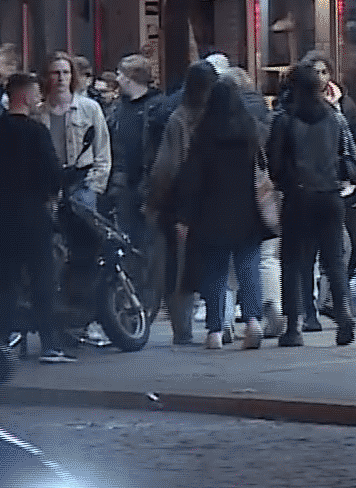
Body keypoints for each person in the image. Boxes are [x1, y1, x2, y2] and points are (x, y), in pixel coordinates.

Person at [0, 73, 73, 363]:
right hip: (32, 214)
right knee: (41, 279)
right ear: (23, 96)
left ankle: (2, 340)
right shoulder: (36, 132)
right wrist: (54, 192)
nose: (37, 99)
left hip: (1, 213)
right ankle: (49, 344)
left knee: (5, 280)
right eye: (33, 94)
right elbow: (50, 172)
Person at [172, 78, 274, 350]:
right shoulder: (250, 129)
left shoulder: (204, 133)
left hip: (211, 213)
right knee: (248, 268)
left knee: (215, 272)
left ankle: (215, 330)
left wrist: (184, 216)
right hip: (247, 211)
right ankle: (253, 320)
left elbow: (191, 178)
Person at [270, 62, 356, 347]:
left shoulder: (285, 119)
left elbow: (275, 165)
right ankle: (343, 313)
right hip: (331, 196)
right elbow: (351, 158)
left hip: (298, 197)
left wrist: (285, 182)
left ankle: (293, 326)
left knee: (293, 262)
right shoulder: (335, 117)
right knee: (333, 260)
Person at [148, 61, 220, 345]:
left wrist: (154, 200)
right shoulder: (219, 116)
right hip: (214, 200)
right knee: (214, 264)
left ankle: (183, 329)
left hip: (182, 203)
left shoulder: (179, 119)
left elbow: (166, 167)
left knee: (179, 269)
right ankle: (219, 323)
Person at [106, 55, 169, 254]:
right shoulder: (117, 109)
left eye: (119, 74)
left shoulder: (158, 107)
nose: (117, 78)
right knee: (126, 239)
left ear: (128, 77)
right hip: (124, 186)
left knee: (149, 243)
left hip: (148, 186)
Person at [41, 52, 112, 216]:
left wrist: (95, 187)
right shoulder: (39, 112)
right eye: (55, 73)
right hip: (49, 186)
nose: (61, 78)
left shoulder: (90, 108)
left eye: (65, 73)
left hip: (82, 183)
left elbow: (102, 149)